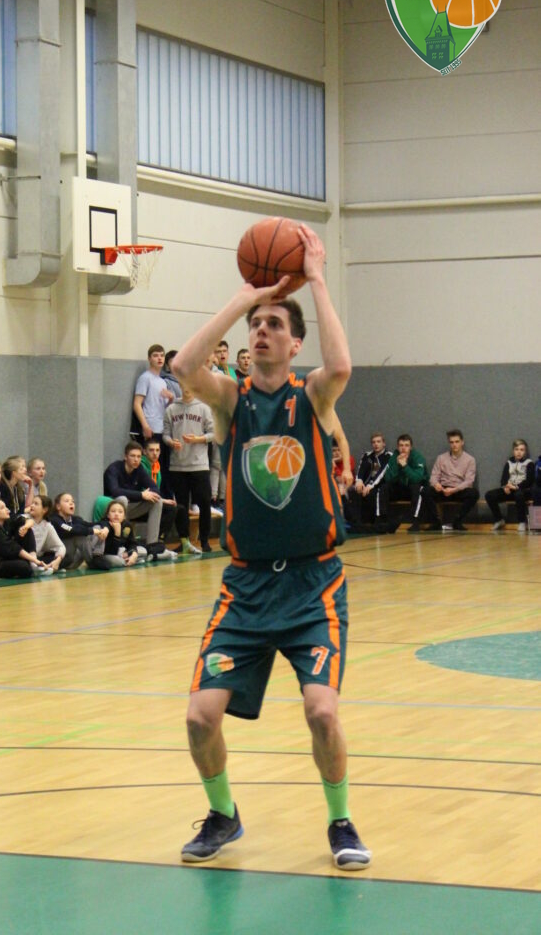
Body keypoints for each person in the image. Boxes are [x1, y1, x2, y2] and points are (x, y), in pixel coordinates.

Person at [172, 224, 371, 871]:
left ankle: (340, 821)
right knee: (199, 719)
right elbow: (183, 368)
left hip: (313, 584)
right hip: (247, 587)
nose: (261, 331)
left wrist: (314, 279)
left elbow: (341, 367)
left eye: (274, 325)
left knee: (321, 712)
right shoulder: (231, 403)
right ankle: (222, 814)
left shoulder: (311, 396)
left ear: (294, 343)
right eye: (255, 326)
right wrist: (248, 295)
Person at [103, 442, 178, 561]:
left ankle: (152, 545)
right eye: (132, 456)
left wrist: (146, 495)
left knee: (156, 501)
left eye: (138, 456)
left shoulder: (139, 469)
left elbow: (155, 489)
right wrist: (141, 495)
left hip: (131, 508)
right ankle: (121, 543)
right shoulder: (114, 469)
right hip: (112, 510)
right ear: (125, 457)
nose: (136, 459)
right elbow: (115, 491)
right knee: (122, 499)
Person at [163, 384, 214, 554]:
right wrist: (171, 442)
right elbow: (165, 434)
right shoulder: (171, 409)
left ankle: (204, 541)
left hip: (199, 464)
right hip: (178, 465)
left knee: (204, 502)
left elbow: (214, 433)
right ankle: (184, 541)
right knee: (181, 505)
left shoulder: (204, 408)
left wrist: (198, 439)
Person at [0, 499, 50, 580]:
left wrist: (25, 527)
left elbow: (28, 520)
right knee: (24, 567)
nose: (7, 509)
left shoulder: (6, 522)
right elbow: (14, 548)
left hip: (7, 558)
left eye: (6, 507)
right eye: (2, 508)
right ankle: (33, 564)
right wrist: (36, 561)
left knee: (27, 530)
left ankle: (33, 563)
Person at [424, 429, 479, 531]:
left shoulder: (470, 460)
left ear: (462, 442)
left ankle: (457, 521)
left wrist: (454, 490)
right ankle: (436, 522)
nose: (454, 445)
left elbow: (469, 481)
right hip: (443, 489)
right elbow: (433, 476)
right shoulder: (441, 458)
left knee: (474, 493)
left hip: (459, 490)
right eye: (452, 442)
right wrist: (436, 484)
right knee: (425, 491)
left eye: (457, 442)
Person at [383, 434, 438, 532]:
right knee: (385, 487)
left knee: (417, 487)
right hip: (401, 488)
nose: (403, 448)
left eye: (406, 445)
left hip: (415, 488)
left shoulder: (418, 457)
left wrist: (404, 466)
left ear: (411, 447)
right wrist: (397, 465)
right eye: (401, 445)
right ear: (397, 447)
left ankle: (415, 521)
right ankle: (382, 520)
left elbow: (417, 478)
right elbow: (388, 478)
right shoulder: (394, 457)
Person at [132, 344, 176, 452]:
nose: (159, 358)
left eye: (162, 355)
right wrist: (145, 426)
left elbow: (163, 407)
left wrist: (170, 399)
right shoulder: (145, 378)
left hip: (162, 428)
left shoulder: (162, 381)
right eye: (155, 355)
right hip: (151, 428)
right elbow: (137, 404)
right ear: (149, 359)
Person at [49, 493, 110, 570]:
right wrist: (92, 531)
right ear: (58, 506)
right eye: (67, 501)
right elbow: (72, 530)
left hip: (73, 560)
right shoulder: (54, 519)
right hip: (60, 559)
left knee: (97, 527)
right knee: (79, 537)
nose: (71, 503)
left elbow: (94, 524)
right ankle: (93, 562)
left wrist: (106, 528)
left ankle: (97, 555)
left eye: (73, 501)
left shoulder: (75, 519)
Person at [485, 439, 534, 532]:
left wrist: (516, 487)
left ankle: (522, 522)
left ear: (525, 451)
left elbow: (529, 481)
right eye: (516, 449)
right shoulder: (509, 462)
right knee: (489, 495)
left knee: (519, 494)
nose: (519, 452)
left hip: (523, 490)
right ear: (513, 451)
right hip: (510, 489)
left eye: (522, 450)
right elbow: (504, 478)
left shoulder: (529, 463)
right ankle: (499, 519)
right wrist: (505, 486)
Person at [346, 432, 391, 526]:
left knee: (374, 492)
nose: (376, 444)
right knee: (355, 491)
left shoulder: (388, 456)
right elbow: (361, 470)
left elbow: (382, 473)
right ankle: (356, 522)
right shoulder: (367, 455)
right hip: (366, 484)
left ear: (384, 443)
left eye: (378, 441)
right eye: (373, 442)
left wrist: (370, 485)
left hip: (380, 484)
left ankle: (376, 521)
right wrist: (359, 481)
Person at [99, 496, 148, 567]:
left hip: (122, 552)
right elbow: (111, 552)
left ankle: (131, 559)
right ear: (108, 515)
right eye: (113, 511)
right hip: (109, 554)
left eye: (120, 512)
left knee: (143, 551)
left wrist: (133, 553)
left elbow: (132, 543)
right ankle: (131, 561)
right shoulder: (105, 525)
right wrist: (117, 534)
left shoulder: (127, 526)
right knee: (117, 561)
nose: (116, 514)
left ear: (124, 516)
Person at [28, 495, 66, 570]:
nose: (32, 505)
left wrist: (57, 561)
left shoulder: (47, 525)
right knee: (23, 565)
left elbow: (61, 547)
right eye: (32, 503)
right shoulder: (24, 519)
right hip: (25, 557)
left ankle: (49, 567)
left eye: (36, 504)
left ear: (44, 509)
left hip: (37, 557)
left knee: (63, 558)